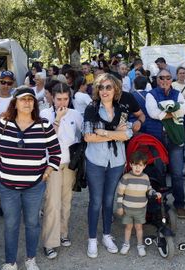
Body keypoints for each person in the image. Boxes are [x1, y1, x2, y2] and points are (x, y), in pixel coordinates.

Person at [0, 87, 61, 270]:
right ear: (15, 103)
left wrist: (47, 173)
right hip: (7, 186)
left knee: (33, 223)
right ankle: (10, 262)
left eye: (30, 99)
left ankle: (30, 258)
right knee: (11, 224)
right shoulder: (3, 124)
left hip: (35, 186)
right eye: (22, 99)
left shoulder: (44, 125)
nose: (27, 102)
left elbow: (56, 153)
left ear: (34, 103)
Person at [83, 73, 132, 258]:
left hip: (117, 161)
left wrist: (103, 131)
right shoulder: (92, 108)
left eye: (108, 87)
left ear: (116, 89)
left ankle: (106, 235)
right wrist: (114, 133)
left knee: (108, 199)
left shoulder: (122, 108)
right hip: (96, 160)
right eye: (101, 87)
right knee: (95, 201)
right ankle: (92, 239)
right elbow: (88, 136)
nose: (105, 91)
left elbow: (127, 134)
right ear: (97, 89)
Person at [40, 83, 83, 259]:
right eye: (59, 99)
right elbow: (45, 139)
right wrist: (57, 118)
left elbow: (81, 136)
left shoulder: (75, 115)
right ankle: (50, 242)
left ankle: (63, 233)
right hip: (52, 165)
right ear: (52, 98)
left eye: (66, 99)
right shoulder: (44, 115)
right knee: (52, 203)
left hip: (70, 165)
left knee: (66, 201)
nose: (62, 102)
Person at [145, 69, 185, 218]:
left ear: (172, 79)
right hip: (157, 138)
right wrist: (173, 112)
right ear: (157, 79)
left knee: (177, 173)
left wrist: (164, 113)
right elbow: (152, 113)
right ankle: (159, 204)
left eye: (168, 77)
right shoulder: (151, 94)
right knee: (158, 172)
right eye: (161, 77)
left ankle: (179, 204)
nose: (165, 80)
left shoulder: (177, 93)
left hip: (174, 137)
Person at [115, 151, 161, 257]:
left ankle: (140, 245)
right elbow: (120, 193)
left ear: (144, 166)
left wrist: (154, 193)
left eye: (140, 165)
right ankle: (126, 244)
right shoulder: (126, 177)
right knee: (128, 227)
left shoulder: (145, 178)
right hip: (127, 209)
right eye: (135, 164)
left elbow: (149, 190)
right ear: (131, 164)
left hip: (140, 209)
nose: (137, 168)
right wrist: (119, 207)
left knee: (139, 227)